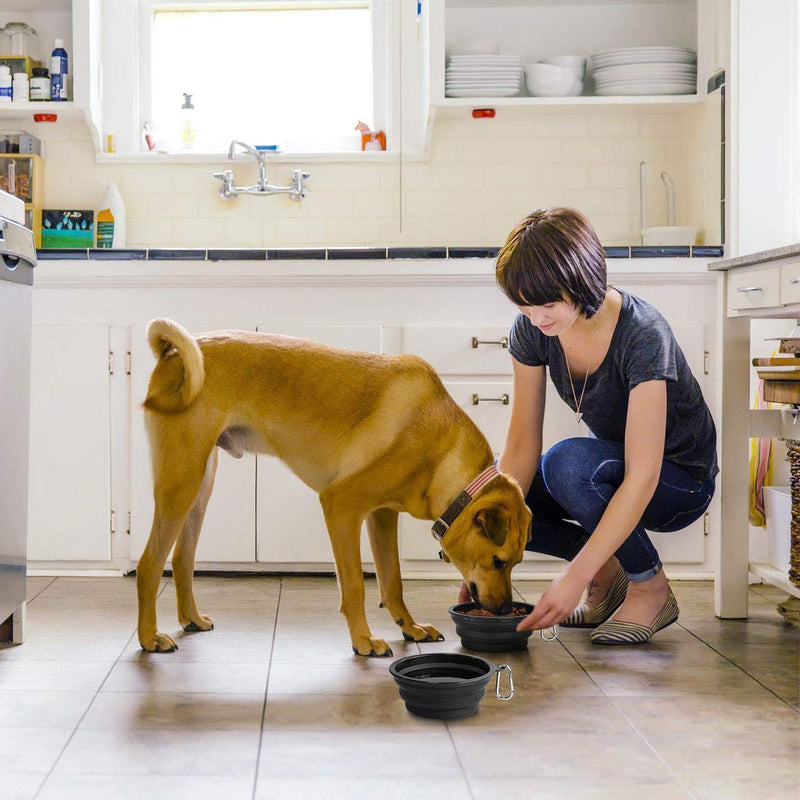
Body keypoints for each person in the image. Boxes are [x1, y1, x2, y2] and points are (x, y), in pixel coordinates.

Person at [459, 207, 718, 645]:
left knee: (566, 464)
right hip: (612, 473)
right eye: (523, 304)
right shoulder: (532, 330)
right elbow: (521, 447)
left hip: (679, 484)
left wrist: (572, 578)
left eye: (548, 303)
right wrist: (478, 551)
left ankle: (650, 587)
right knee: (499, 495)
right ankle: (608, 570)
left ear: (581, 281)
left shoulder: (643, 333)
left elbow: (644, 474)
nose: (537, 317)